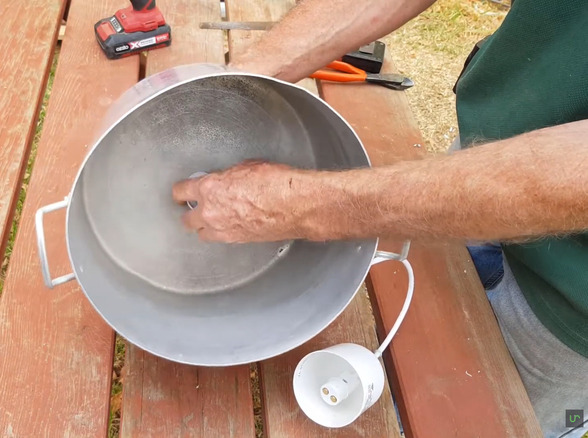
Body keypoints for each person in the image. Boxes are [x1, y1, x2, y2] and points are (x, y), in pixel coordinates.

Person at [171, 0, 588, 436]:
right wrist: (240, 81)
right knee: (413, 332)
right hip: (496, 155)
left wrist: (301, 206)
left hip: (567, 310)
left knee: (480, 417)